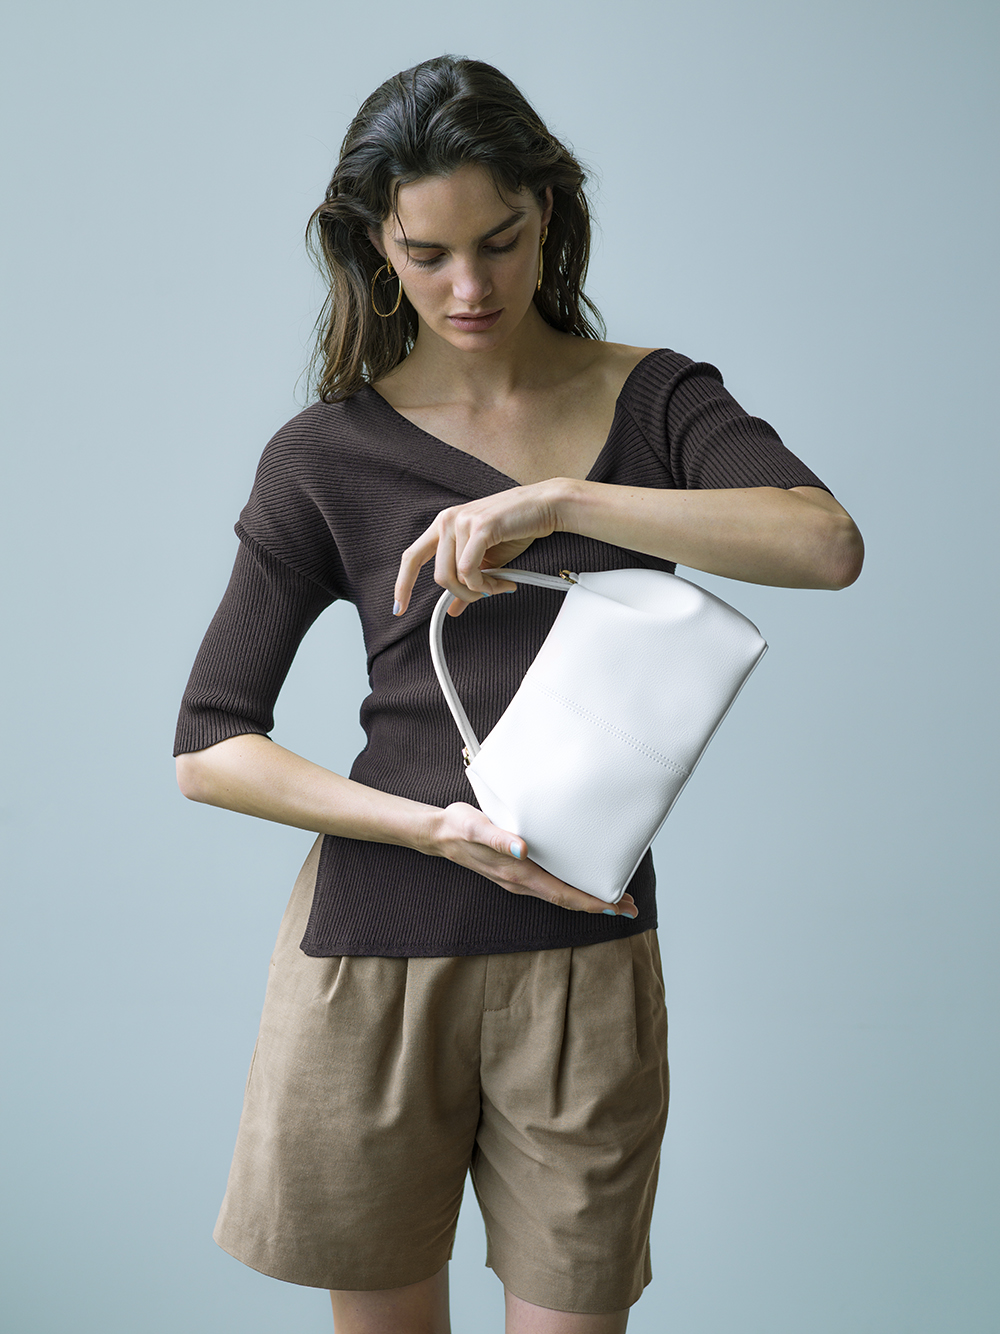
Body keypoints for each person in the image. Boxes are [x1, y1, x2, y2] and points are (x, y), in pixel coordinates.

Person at [174, 54, 863, 1334]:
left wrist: (557, 502)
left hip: (583, 953)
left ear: (548, 208)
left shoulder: (656, 400)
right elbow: (209, 745)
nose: (470, 287)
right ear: (375, 247)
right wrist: (433, 828)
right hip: (372, 953)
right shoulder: (324, 454)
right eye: (427, 254)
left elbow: (824, 544)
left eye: (498, 241)